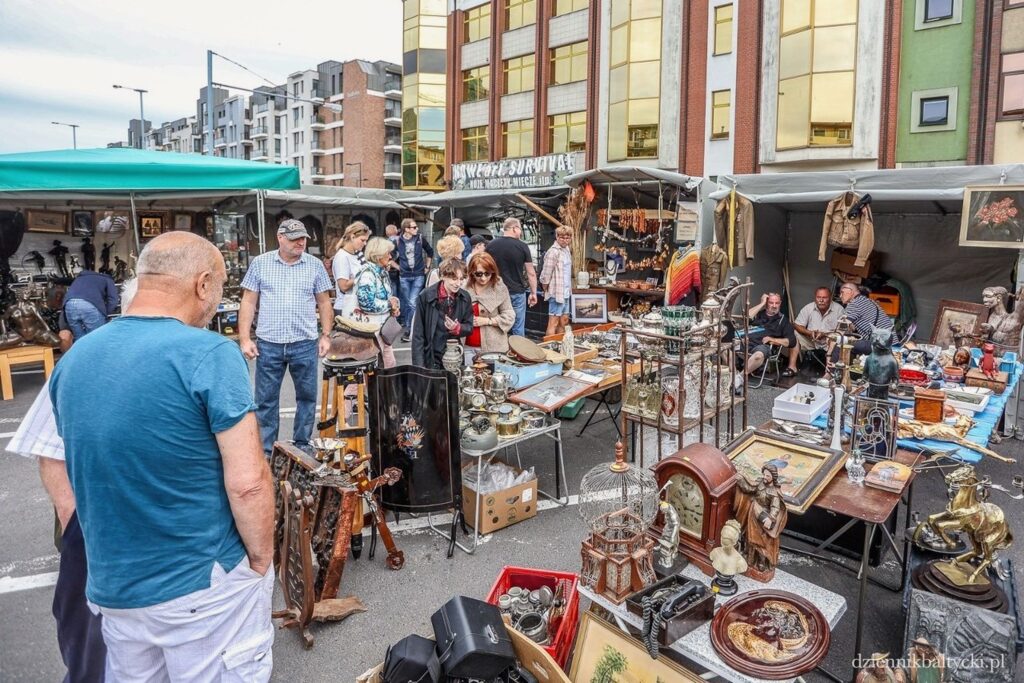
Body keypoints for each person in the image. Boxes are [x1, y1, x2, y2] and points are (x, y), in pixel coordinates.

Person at [49, 233, 275, 681]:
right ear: (203, 284)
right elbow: (248, 482)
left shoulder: (73, 360)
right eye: (220, 287)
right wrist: (261, 559)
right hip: (199, 580)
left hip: (114, 586)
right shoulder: (210, 352)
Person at [5, 277, 137, 683]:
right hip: (97, 527)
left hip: (154, 539)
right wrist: (75, 523)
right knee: (92, 643)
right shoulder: (88, 362)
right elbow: (49, 449)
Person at [239, 218, 335, 454]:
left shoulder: (314, 265)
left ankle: (302, 446)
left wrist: (326, 335)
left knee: (307, 398)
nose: (300, 243)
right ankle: (266, 452)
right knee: (266, 401)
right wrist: (244, 339)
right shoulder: (261, 263)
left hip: (304, 342)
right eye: (294, 239)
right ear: (280, 238)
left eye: (303, 238)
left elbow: (324, 302)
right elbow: (248, 301)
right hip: (269, 343)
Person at [411, 258, 474, 370]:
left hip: (455, 357)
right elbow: (418, 334)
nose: (458, 283)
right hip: (431, 357)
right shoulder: (426, 296)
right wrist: (419, 367)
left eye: (461, 279)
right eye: (454, 279)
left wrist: (457, 328)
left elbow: (469, 327)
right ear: (443, 276)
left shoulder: (465, 297)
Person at [486, 217, 537, 337]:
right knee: (518, 326)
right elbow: (531, 272)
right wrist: (533, 293)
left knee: (497, 324)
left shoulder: (491, 245)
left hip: (496, 290)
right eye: (520, 229)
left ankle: (499, 347)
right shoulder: (522, 246)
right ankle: (518, 348)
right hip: (517, 292)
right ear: (514, 228)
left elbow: (485, 268)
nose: (521, 232)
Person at [355, 237, 402, 368]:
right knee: (376, 369)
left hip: (381, 329)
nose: (390, 256)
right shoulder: (368, 274)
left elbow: (387, 297)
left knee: (389, 365)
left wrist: (394, 305)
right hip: (371, 331)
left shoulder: (382, 272)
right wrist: (389, 305)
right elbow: (367, 304)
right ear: (378, 255)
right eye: (387, 253)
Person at [737, 292, 795, 389]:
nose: (774, 306)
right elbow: (745, 318)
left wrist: (772, 339)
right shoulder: (759, 314)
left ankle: (740, 377)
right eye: (771, 303)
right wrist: (762, 303)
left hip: (762, 346)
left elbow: (792, 341)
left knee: (758, 355)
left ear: (780, 303)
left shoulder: (783, 320)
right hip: (745, 342)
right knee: (724, 347)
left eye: (777, 303)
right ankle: (734, 373)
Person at [787, 286, 844, 375]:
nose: (821, 300)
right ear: (815, 297)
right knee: (793, 334)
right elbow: (797, 325)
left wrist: (825, 335)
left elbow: (842, 332)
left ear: (830, 298)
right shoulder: (809, 307)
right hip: (812, 341)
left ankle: (829, 373)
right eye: (818, 297)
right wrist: (809, 333)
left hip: (829, 342)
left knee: (838, 338)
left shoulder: (839, 310)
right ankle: (792, 367)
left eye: (824, 297)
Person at [465, 252, 515, 354]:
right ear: (472, 272)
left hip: (494, 349)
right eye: (478, 274)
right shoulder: (464, 288)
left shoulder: (499, 288)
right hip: (467, 347)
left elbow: (509, 316)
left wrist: (488, 321)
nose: (483, 278)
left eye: (487, 273)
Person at [396, 218, 434, 342]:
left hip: (418, 274)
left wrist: (427, 266)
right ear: (406, 229)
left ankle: (409, 330)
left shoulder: (420, 238)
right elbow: (389, 256)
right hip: (404, 276)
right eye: (414, 227)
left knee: (412, 303)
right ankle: (412, 327)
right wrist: (399, 267)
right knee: (409, 303)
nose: (417, 229)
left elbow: (430, 251)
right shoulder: (398, 240)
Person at [836, 281, 894, 358]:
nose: (840, 296)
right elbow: (853, 328)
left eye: (842, 292)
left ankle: (832, 365)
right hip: (890, 344)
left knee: (840, 342)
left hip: (881, 344)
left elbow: (840, 330)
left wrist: (829, 354)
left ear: (850, 291)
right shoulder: (868, 301)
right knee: (850, 342)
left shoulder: (854, 304)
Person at [63, 267, 119, 340]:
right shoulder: (107, 279)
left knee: (79, 338)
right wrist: (105, 312)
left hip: (69, 304)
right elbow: (113, 300)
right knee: (97, 337)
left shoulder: (80, 278)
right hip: (88, 305)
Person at [332, 222, 370, 317]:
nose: (365, 244)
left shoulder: (358, 254)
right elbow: (343, 286)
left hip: (357, 306)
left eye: (366, 241)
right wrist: (363, 275)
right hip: (345, 307)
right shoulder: (342, 257)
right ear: (352, 237)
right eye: (362, 240)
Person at [540, 225, 573, 336]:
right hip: (556, 293)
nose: (565, 240)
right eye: (562, 237)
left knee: (564, 322)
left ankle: (560, 344)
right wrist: (546, 288)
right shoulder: (553, 252)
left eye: (567, 238)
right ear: (557, 237)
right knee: (553, 323)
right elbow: (546, 274)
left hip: (566, 292)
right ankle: (549, 345)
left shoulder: (566, 250)